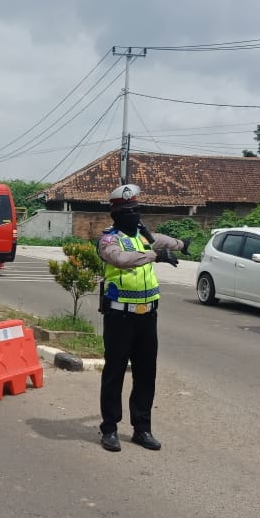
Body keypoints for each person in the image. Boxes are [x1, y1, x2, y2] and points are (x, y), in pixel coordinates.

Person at [96, 183, 191, 453]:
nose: (134, 215)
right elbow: (121, 259)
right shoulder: (109, 240)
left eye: (137, 210)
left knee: (146, 374)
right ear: (115, 214)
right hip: (119, 316)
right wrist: (155, 256)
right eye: (128, 211)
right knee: (114, 373)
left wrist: (182, 245)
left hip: (147, 316)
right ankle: (110, 428)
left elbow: (162, 240)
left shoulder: (143, 237)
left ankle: (142, 428)